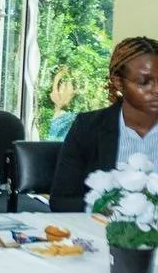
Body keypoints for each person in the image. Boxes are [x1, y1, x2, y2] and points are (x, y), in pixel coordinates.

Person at [51, 37, 158, 212]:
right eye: (144, 82)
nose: (156, 89)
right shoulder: (88, 127)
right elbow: (62, 200)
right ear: (118, 82)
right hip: (101, 231)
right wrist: (109, 209)